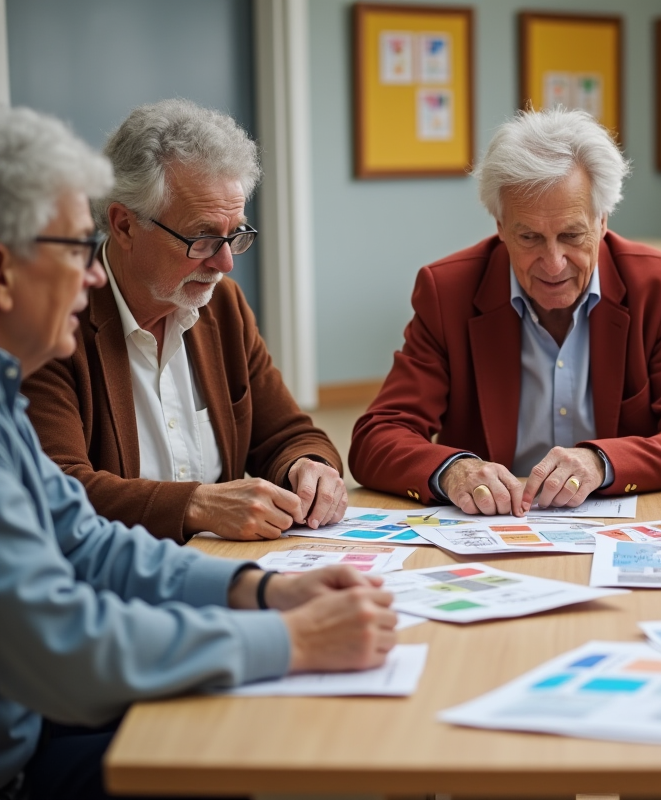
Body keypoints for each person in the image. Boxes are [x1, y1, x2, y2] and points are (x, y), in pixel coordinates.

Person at [0, 106, 397, 800]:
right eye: (72, 249)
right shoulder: (47, 354)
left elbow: (88, 543)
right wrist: (293, 642)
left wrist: (266, 589)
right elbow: (67, 645)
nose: (88, 275)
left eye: (234, 234)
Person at [350, 108, 661, 515]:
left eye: (571, 235)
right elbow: (377, 437)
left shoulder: (657, 285)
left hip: (621, 522)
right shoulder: (448, 291)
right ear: (500, 225)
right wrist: (454, 470)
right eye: (529, 236)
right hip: (491, 528)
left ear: (602, 221)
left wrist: (600, 462)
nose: (553, 263)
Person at [22, 99, 347, 544]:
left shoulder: (222, 306)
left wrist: (309, 468)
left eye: (235, 234)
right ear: (124, 225)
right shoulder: (55, 324)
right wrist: (197, 504)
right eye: (203, 237)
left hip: (222, 568)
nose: (226, 262)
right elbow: (56, 487)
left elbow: (287, 433)